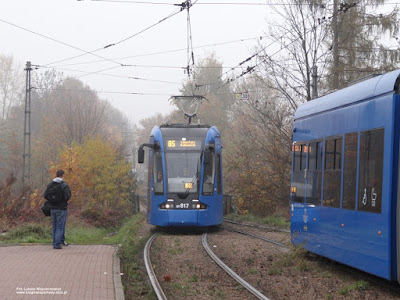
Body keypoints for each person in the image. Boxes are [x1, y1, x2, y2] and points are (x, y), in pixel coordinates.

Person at [44, 169, 71, 249]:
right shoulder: (64, 185)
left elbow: (45, 195)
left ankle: (55, 241)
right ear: (63, 175)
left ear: (56, 175)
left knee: (54, 225)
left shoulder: (50, 184)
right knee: (60, 226)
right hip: (62, 208)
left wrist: (52, 200)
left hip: (52, 208)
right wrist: (62, 201)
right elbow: (67, 196)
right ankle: (57, 244)